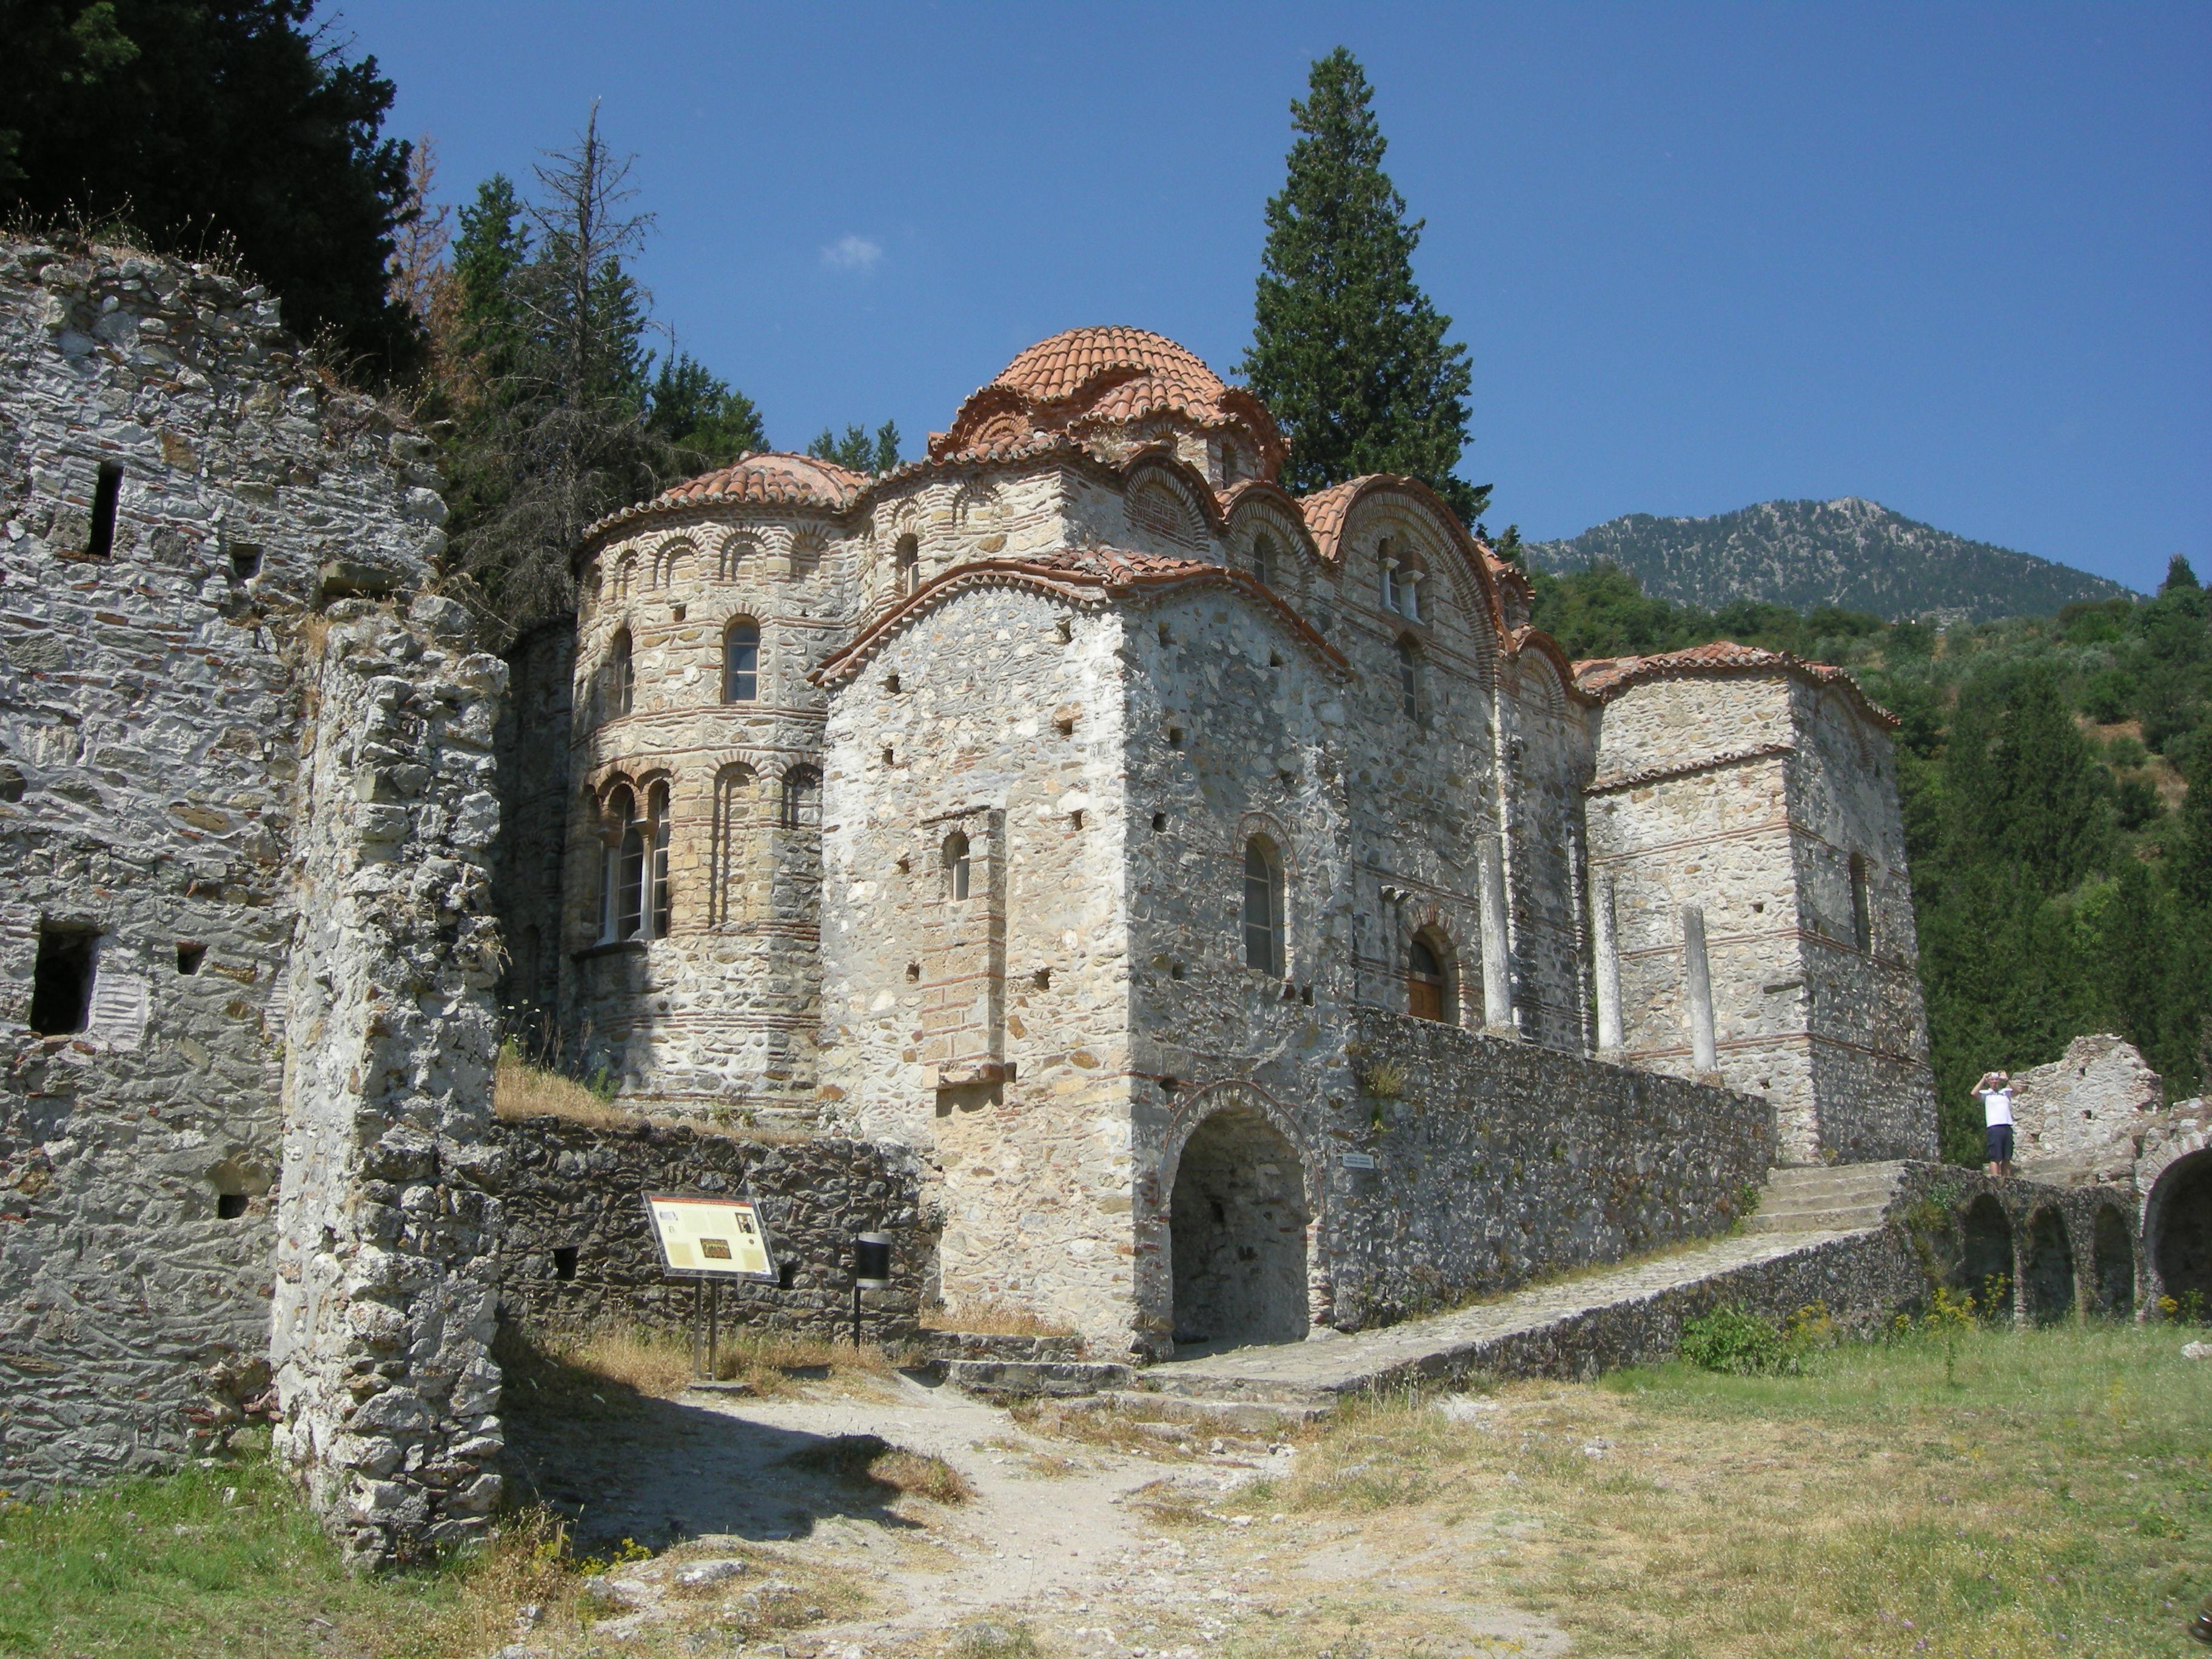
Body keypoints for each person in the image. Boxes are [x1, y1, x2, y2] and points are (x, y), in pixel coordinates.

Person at [1976, 1070, 2014, 1178]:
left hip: (2006, 1125)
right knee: (1995, 1156)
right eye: (1992, 1080)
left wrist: (2008, 1080)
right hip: (1994, 1127)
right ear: (1989, 1082)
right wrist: (1983, 1079)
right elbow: (1974, 1093)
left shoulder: (2005, 1093)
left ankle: (2007, 1180)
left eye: (1997, 1080)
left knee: (2007, 1157)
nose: (1995, 1082)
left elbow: (2018, 1091)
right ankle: (1996, 1178)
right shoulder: (1986, 1094)